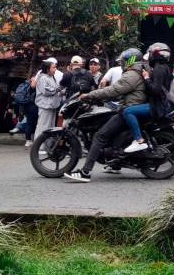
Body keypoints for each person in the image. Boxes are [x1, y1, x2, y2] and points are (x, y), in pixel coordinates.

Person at [63, 48, 147, 183]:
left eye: (124, 61)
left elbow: (113, 89)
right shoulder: (136, 73)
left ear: (130, 61)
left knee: (99, 136)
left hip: (129, 109)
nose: (122, 64)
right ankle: (114, 160)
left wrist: (90, 95)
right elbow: (120, 92)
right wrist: (102, 98)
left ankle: (85, 172)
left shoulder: (131, 75)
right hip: (129, 107)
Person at [121, 43, 172, 154]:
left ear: (155, 54)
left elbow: (155, 90)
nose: (149, 56)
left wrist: (146, 78)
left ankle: (139, 140)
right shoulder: (165, 67)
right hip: (161, 105)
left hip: (157, 107)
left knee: (127, 112)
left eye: (150, 53)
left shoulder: (159, 68)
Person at [34, 60, 63, 140]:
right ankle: (39, 148)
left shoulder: (50, 77)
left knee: (50, 128)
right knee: (43, 127)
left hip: (51, 106)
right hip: (45, 107)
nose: (55, 69)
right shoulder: (43, 78)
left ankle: (46, 147)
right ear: (47, 69)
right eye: (53, 67)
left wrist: (59, 90)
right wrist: (58, 89)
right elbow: (46, 91)